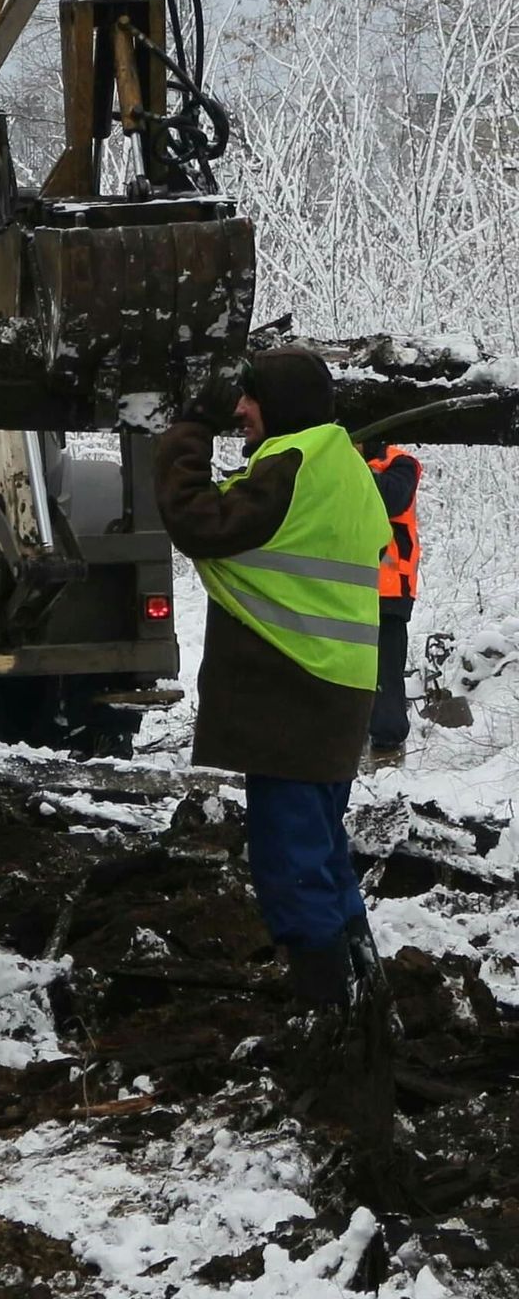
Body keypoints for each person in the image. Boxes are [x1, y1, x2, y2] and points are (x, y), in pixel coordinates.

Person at [154, 348, 391, 1016]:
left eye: (250, 398)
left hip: (296, 698)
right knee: (323, 859)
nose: (240, 409)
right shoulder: (341, 467)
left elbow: (198, 521)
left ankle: (330, 1022)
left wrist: (189, 431)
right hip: (335, 699)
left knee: (291, 868)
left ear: (280, 405)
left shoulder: (294, 465)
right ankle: (364, 996)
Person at [364, 438, 422, 763]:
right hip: (345, 590)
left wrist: (347, 467)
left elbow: (389, 498)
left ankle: (386, 756)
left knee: (385, 672)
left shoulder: (401, 464)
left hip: (388, 592)